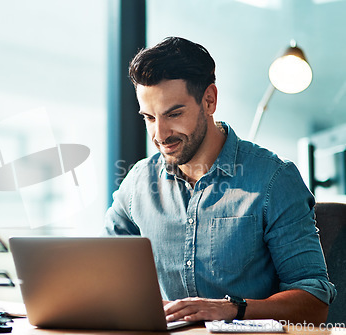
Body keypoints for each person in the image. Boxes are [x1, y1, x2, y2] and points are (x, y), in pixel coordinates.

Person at [103, 37, 336, 324]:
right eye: (150, 118)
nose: (160, 135)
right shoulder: (137, 183)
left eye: (174, 114)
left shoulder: (274, 179)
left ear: (209, 100)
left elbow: (314, 301)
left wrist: (233, 309)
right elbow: (101, 273)